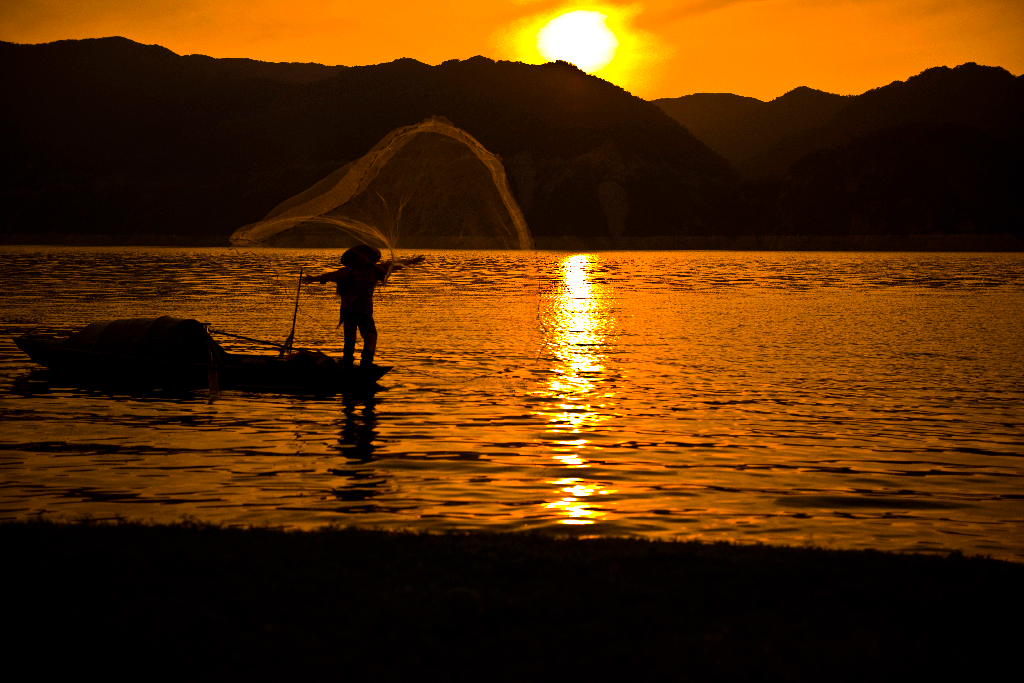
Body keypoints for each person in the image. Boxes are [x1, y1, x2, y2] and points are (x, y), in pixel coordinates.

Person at [302, 245, 422, 368]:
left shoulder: (375, 270)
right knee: (350, 338)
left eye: (366, 256)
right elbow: (332, 275)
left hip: (365, 311)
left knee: (371, 336)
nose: (363, 258)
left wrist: (411, 262)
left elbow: (393, 265)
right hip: (349, 310)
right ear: (355, 258)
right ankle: (347, 361)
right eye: (360, 256)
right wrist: (314, 279)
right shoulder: (349, 270)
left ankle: (366, 362)